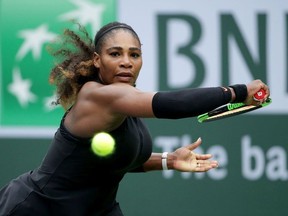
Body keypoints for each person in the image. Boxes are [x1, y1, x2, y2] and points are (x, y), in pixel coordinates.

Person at [0, 21, 270, 216]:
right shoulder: (99, 96)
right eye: (115, 54)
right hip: (38, 207)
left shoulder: (124, 104)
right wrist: (238, 91)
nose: (126, 62)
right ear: (97, 60)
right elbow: (171, 105)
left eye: (134, 54)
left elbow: (114, 161)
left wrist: (168, 160)